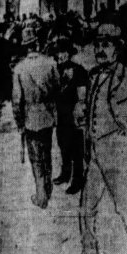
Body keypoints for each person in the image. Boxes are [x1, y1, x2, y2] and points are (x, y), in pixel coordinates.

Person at [67, 22, 127, 254]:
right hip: (95, 152)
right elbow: (89, 109)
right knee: (85, 207)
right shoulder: (93, 76)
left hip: (117, 150)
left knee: (125, 208)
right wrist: (79, 114)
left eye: (106, 44)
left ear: (118, 48)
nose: (100, 49)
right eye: (97, 44)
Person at [11, 21, 60, 209]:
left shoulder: (19, 69)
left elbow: (17, 100)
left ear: (25, 46)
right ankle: (48, 189)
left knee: (36, 159)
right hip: (47, 117)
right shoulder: (50, 63)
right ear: (37, 44)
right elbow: (57, 88)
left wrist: (19, 122)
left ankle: (41, 196)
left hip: (30, 119)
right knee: (46, 153)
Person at [52, 36, 88, 195]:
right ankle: (65, 174)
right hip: (60, 114)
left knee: (76, 149)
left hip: (74, 114)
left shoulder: (79, 70)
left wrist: (79, 111)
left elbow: (82, 94)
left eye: (63, 52)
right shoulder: (55, 70)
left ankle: (78, 180)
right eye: (58, 52)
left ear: (69, 53)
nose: (60, 55)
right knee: (63, 145)